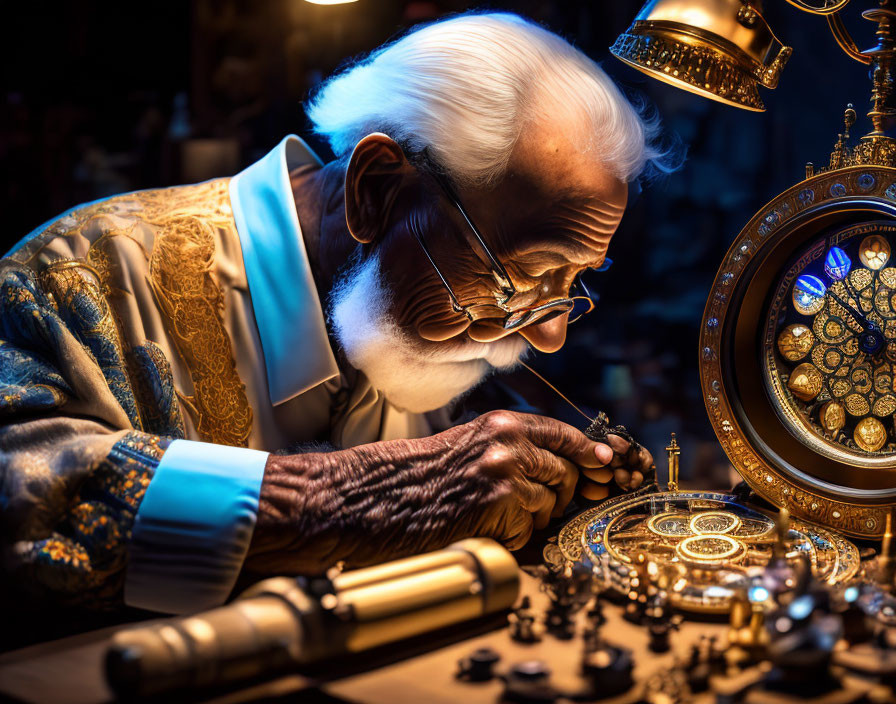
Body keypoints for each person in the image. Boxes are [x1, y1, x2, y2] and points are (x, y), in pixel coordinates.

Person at [0, 12, 670, 616]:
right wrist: (336, 503)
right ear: (376, 191)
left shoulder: (435, 316)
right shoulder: (73, 278)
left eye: (572, 284)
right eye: (519, 277)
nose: (549, 337)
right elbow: (19, 498)